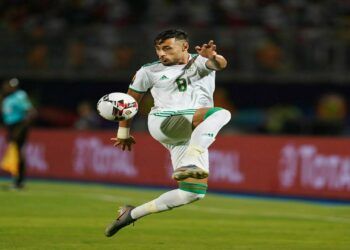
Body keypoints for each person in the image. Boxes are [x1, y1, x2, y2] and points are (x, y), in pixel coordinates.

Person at [104, 29, 231, 237]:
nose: (161, 54)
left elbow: (220, 64)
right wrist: (123, 132)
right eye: (158, 50)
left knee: (191, 193)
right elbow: (130, 101)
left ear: (184, 47)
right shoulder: (148, 71)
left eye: (167, 48)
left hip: (189, 132)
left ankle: (131, 214)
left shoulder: (200, 62)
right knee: (221, 114)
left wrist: (214, 57)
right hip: (164, 121)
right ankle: (192, 157)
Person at [0, 78, 36, 189]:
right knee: (14, 153)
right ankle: (16, 180)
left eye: (11, 86)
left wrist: (20, 129)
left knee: (18, 152)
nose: (8, 87)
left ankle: (19, 181)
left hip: (18, 126)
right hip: (11, 126)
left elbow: (31, 112)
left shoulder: (20, 96)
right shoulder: (6, 97)